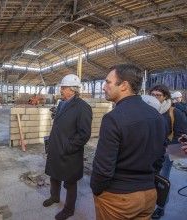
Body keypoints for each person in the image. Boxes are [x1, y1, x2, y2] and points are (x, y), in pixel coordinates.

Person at [90, 64, 167, 220]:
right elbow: (159, 158)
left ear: (124, 85)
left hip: (119, 199)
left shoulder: (113, 118)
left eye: (108, 82)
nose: (104, 87)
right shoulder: (158, 117)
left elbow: (104, 167)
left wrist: (97, 190)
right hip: (149, 195)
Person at [43, 74, 92, 220]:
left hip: (69, 151)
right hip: (56, 147)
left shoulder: (83, 107)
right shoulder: (62, 103)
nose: (61, 90)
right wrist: (50, 144)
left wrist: (67, 147)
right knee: (54, 176)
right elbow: (57, 127)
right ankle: (54, 197)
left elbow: (84, 134)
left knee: (70, 182)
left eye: (63, 88)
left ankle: (69, 209)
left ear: (72, 89)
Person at [149, 85, 187, 219]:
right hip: (149, 151)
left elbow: (182, 134)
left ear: (165, 96)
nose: (154, 97)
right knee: (148, 178)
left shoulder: (174, 112)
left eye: (158, 95)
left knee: (162, 179)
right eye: (152, 95)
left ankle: (160, 207)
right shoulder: (148, 110)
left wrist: (167, 147)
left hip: (166, 152)